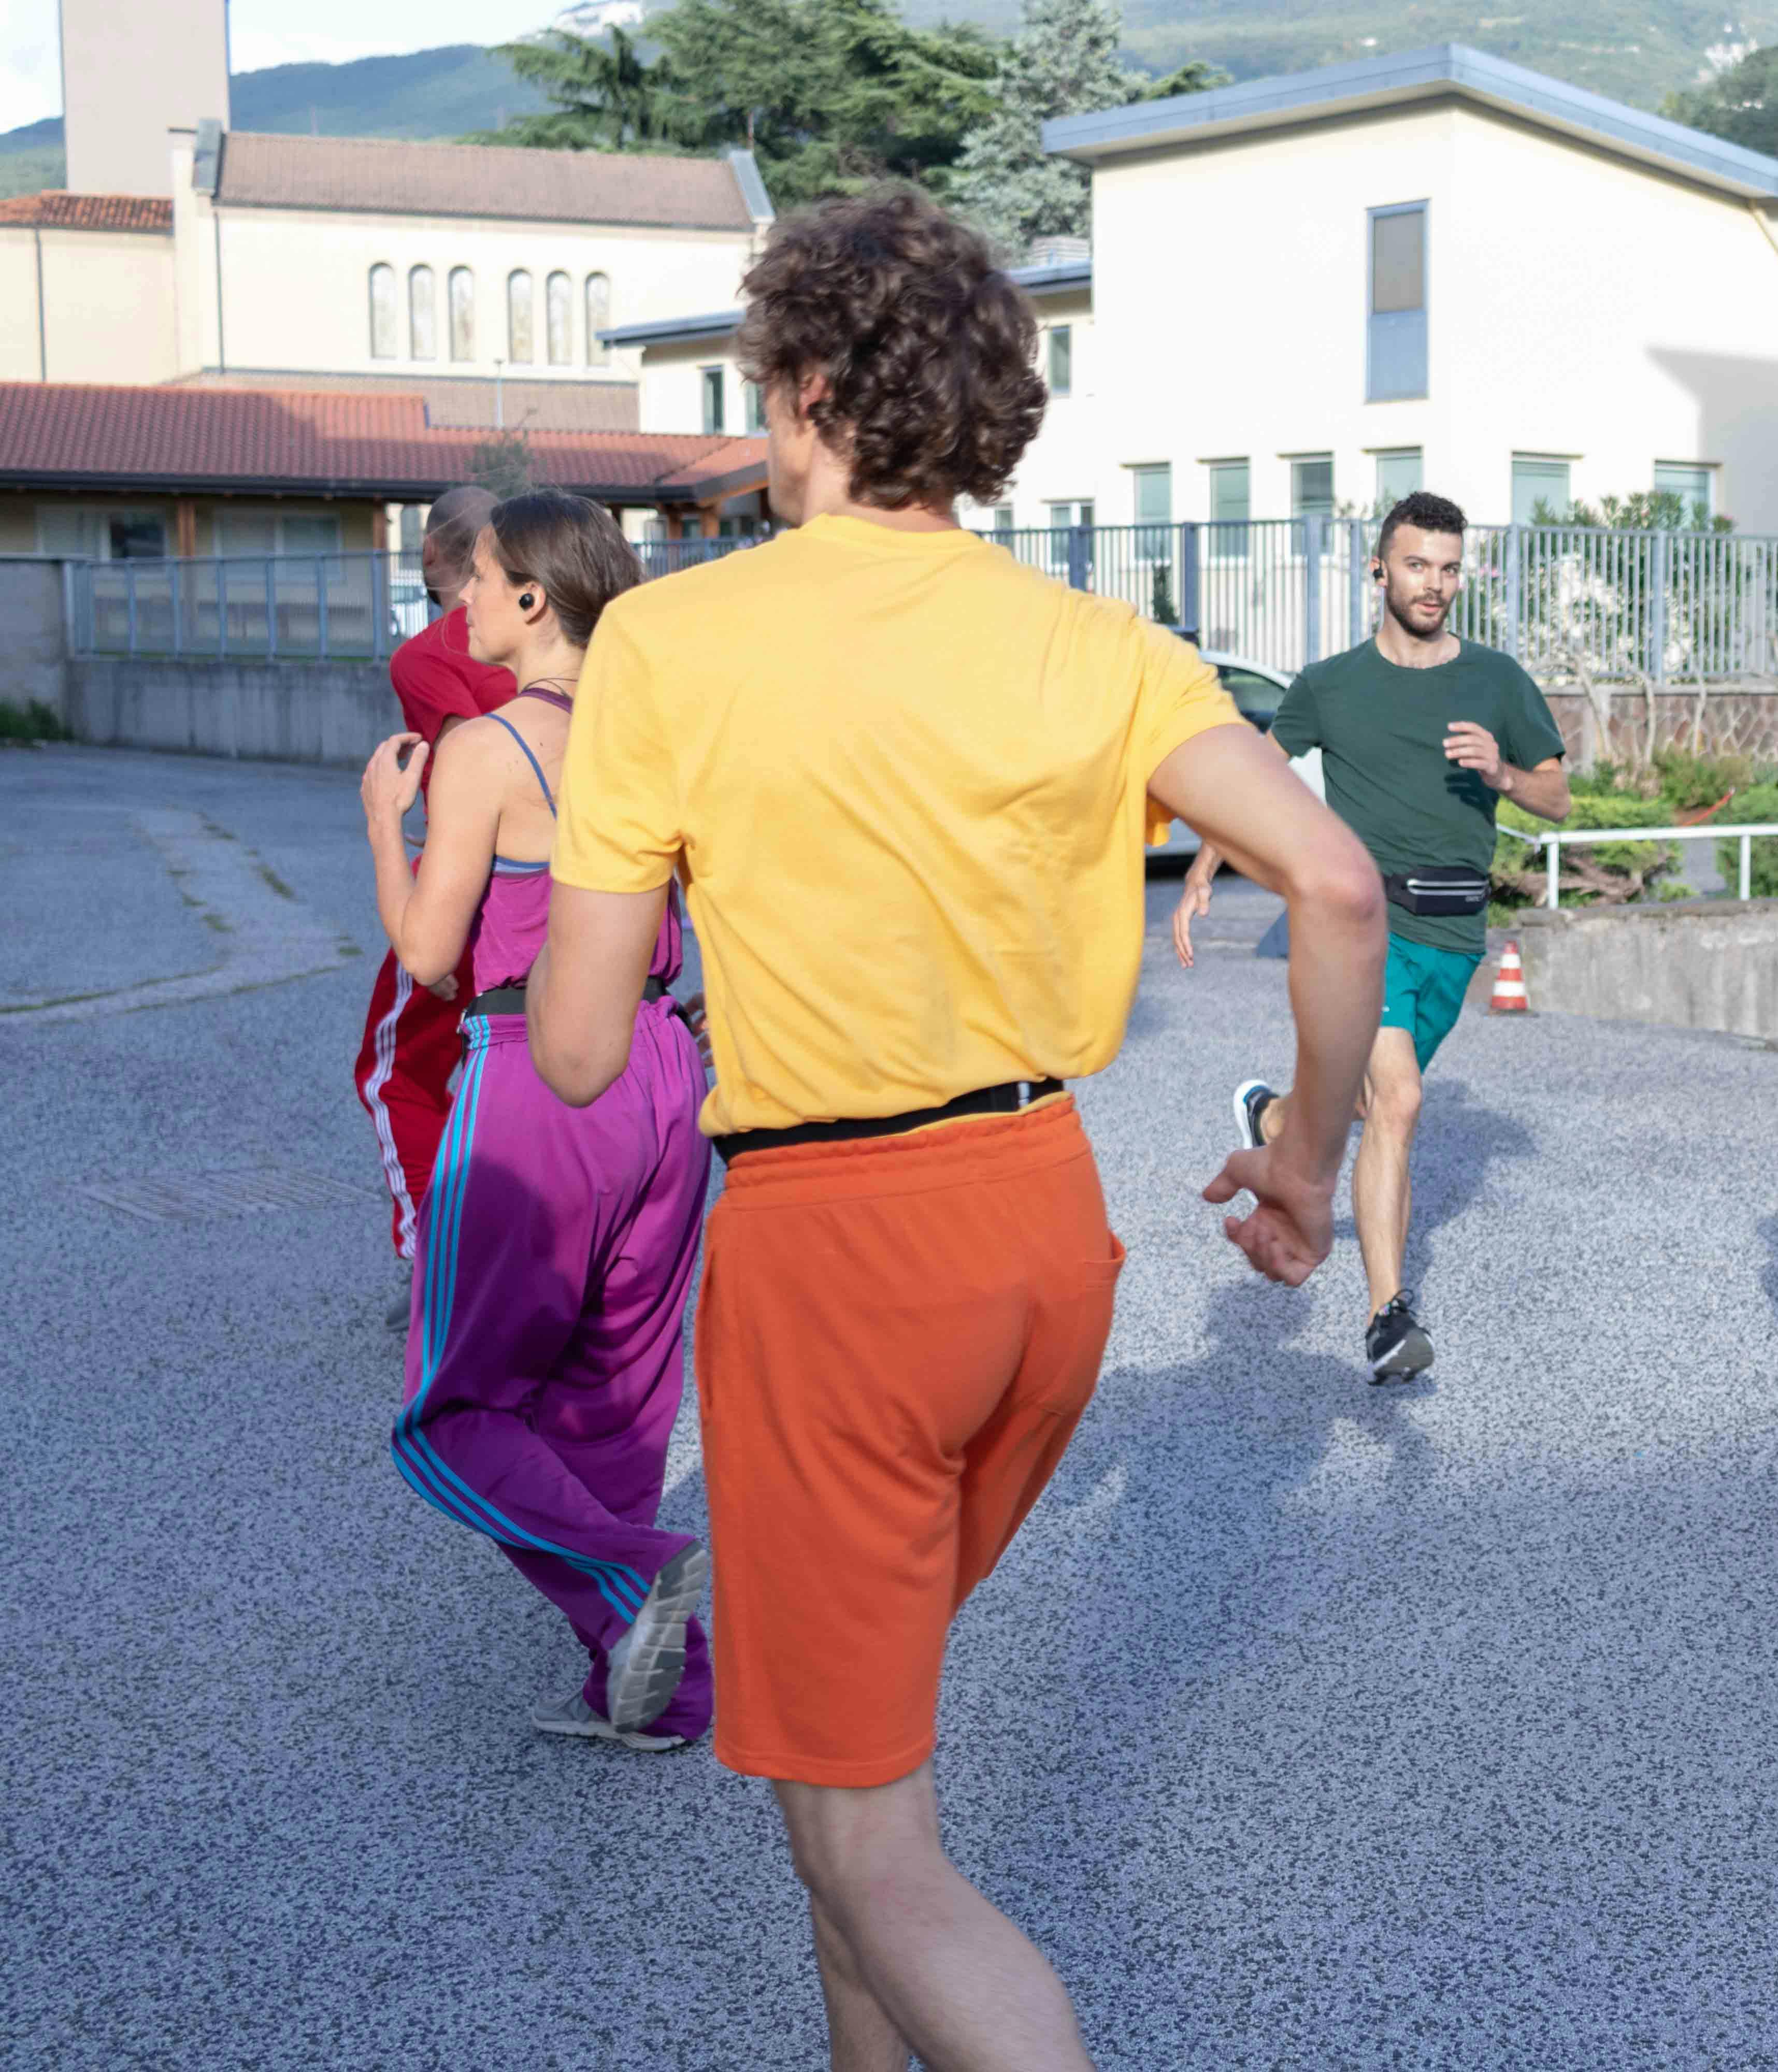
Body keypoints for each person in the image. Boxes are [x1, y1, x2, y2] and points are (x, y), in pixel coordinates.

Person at [531, 188, 1383, 2071]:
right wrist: (1308, 1163)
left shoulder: (671, 641)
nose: (762, 431)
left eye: (767, 393)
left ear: (819, 385)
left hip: (835, 1253)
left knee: (869, 1833)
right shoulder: (1090, 640)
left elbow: (579, 1047)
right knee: (847, 1760)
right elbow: (1332, 881)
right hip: (1036, 1232)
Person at [357, 492, 713, 1753]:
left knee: (447, 1416)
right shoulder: (651, 733)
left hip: (537, 1068)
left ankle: (635, 1580)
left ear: (529, 597)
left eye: (481, 578)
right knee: (615, 1401)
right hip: (667, 1066)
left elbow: (431, 956)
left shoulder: (486, 748)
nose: (459, 600)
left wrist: (381, 830)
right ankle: (663, 1691)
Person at [1170, 491, 1571, 1385]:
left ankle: (1272, 1115)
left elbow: (1556, 795)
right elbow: (1257, 780)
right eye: (1420, 564)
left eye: (1451, 567)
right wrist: (1206, 868)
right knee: (1398, 1102)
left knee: (1366, 1103)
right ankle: (1390, 1318)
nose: (1436, 584)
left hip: (1455, 932)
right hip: (1364, 925)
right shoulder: (1330, 685)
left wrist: (1503, 771)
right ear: (1380, 569)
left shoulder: (1497, 680)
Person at [351, 485, 518, 1261]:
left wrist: (438, 927)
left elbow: (463, 781)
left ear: (429, 555)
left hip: (480, 890)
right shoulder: (555, 638)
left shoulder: (426, 655)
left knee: (395, 1077)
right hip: (567, 885)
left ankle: (436, 1265)